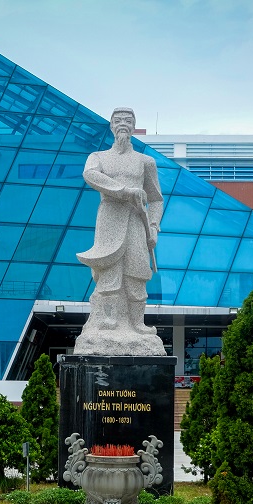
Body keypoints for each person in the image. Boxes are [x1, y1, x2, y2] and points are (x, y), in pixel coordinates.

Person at [75, 107, 165, 354]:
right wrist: (124, 191)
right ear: (111, 126)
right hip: (109, 218)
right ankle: (109, 319)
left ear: (134, 126)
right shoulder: (98, 157)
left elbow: (156, 199)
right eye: (117, 120)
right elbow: (90, 175)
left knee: (137, 271)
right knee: (109, 269)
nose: (123, 123)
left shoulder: (146, 161)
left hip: (137, 221)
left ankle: (137, 322)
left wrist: (154, 227)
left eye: (128, 120)